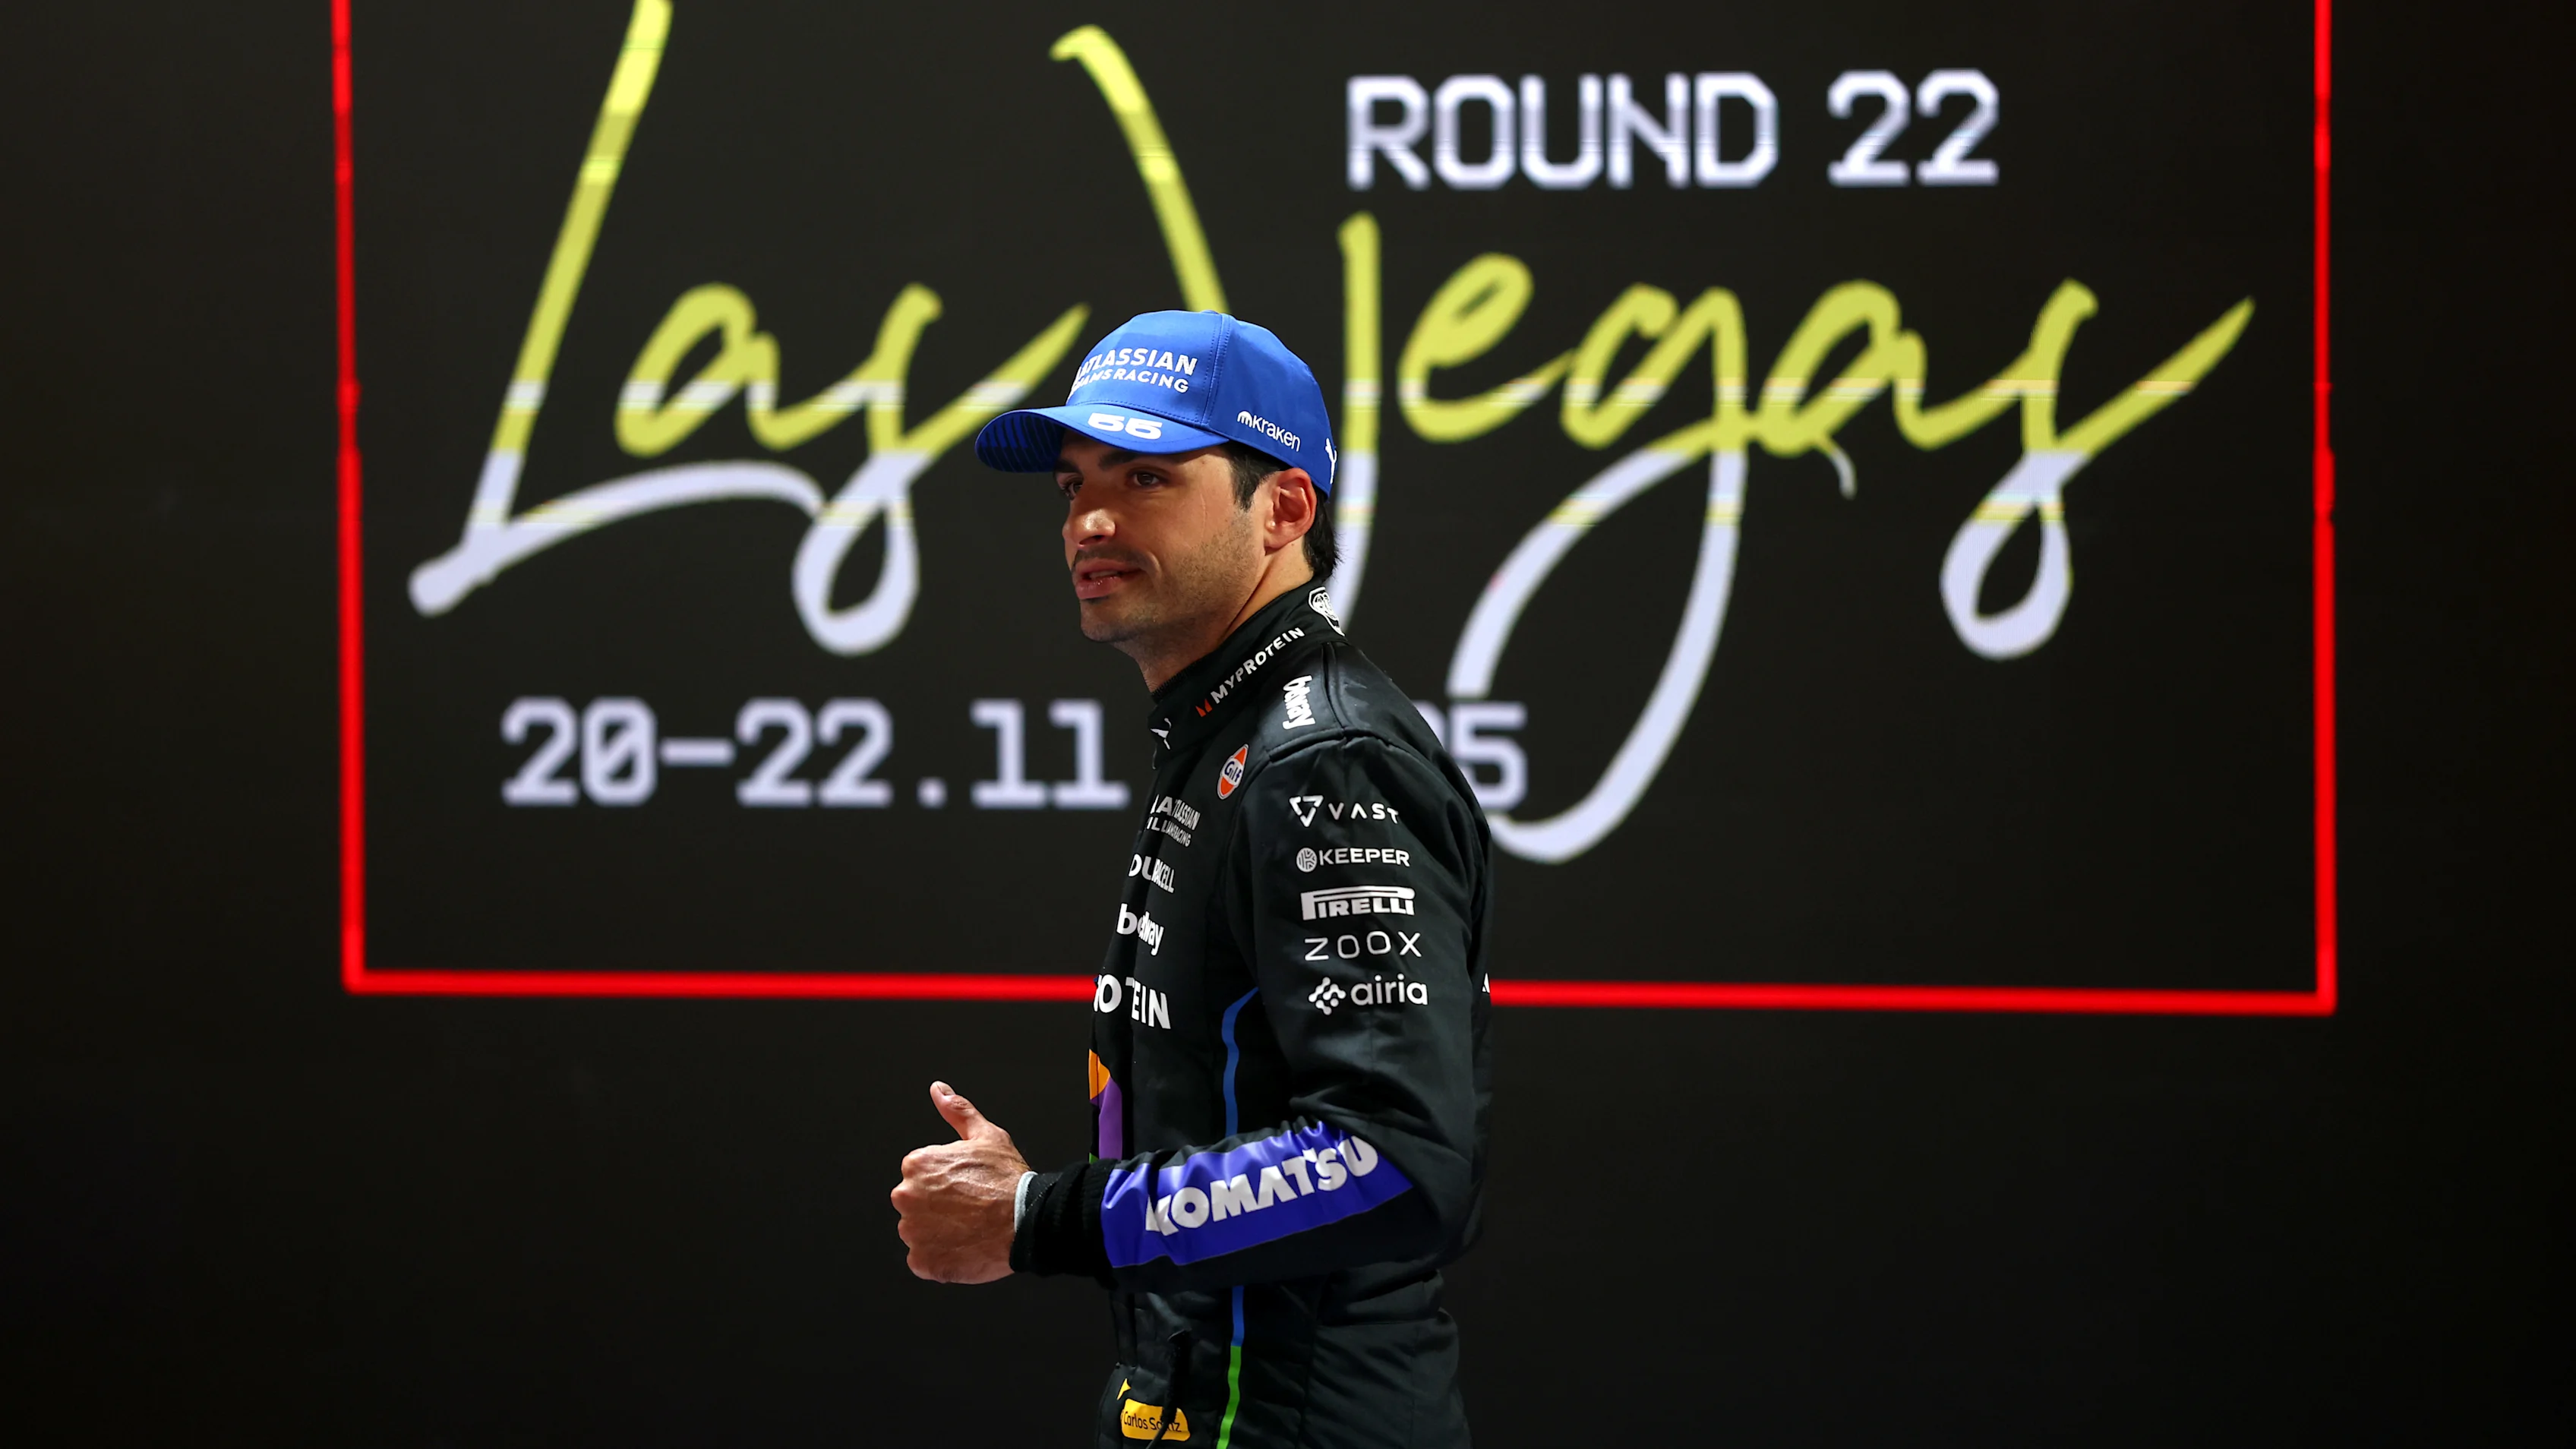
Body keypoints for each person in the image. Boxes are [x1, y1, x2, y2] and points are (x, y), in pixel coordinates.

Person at [889, 310, 1495, 1447]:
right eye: (1073, 484)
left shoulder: (1326, 762)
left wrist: (1036, 1216)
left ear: (1284, 510)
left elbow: (1401, 1164)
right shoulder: (1231, 733)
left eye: (1148, 476)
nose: (1092, 519)